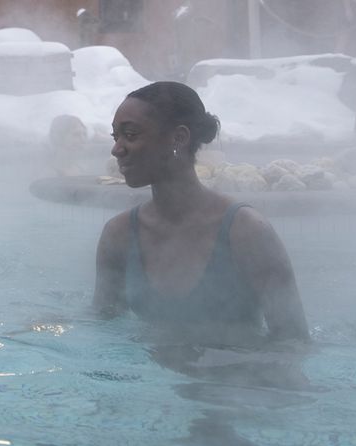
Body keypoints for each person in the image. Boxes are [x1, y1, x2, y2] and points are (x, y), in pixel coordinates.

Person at [93, 81, 309, 345]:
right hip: (154, 379)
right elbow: (102, 329)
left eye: (131, 134)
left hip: (238, 380)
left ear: (179, 138)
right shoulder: (120, 235)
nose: (117, 149)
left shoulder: (246, 232)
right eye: (116, 137)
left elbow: (293, 342)